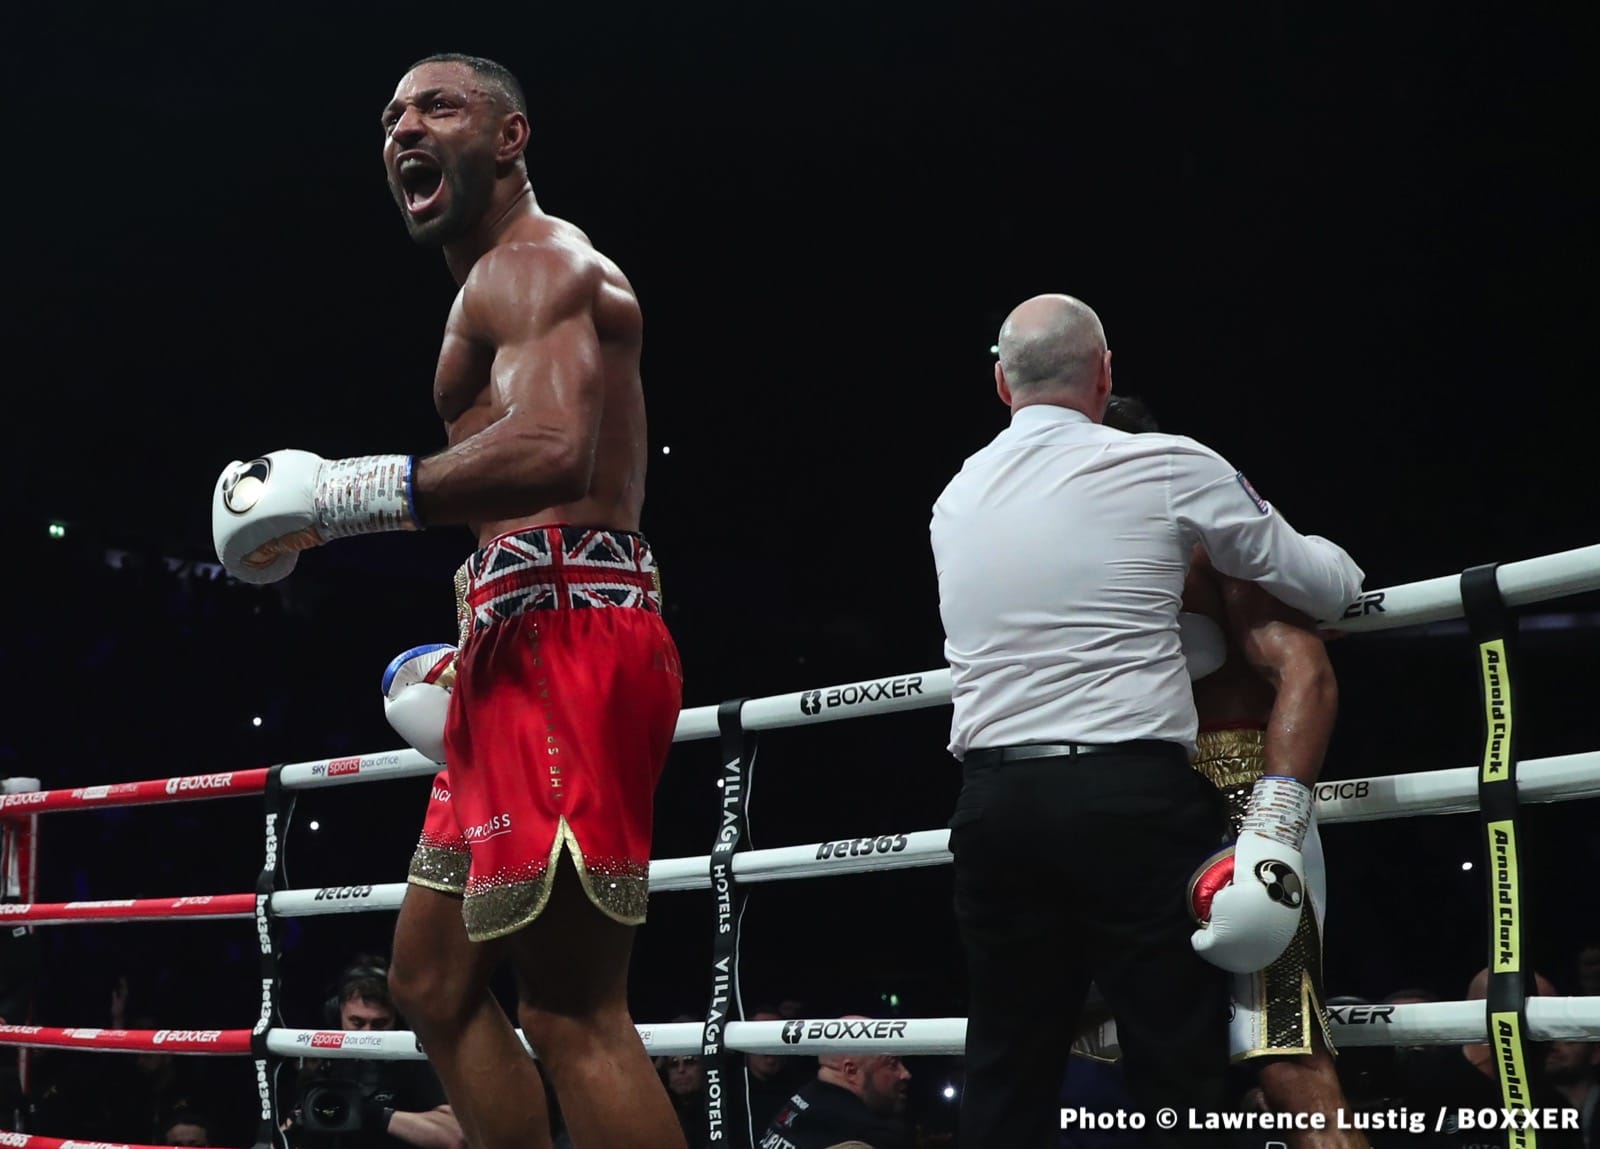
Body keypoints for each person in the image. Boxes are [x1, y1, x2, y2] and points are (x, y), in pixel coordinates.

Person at [211, 53, 685, 1149]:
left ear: (509, 138)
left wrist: (344, 494)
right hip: (512, 640)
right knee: (430, 981)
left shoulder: (535, 264)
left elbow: (557, 451)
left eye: (438, 106)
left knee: (573, 1013)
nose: (403, 129)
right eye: (389, 117)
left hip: (567, 639)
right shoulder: (492, 282)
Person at [928, 294, 1365, 1148]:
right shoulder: (1165, 465)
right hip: (1128, 799)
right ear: (1105, 371)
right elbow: (1323, 586)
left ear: (999, 383)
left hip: (994, 807)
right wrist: (1343, 570)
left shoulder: (955, 495)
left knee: (1007, 1066)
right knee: (1176, 1065)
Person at [1103, 394, 1366, 1149]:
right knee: (1124, 1051)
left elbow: (1304, 673)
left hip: (1245, 795)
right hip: (1141, 806)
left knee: (1282, 1049)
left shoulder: (1210, 545)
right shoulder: (1077, 574)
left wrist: (1271, 824)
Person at [757, 1018, 911, 1149]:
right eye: (892, 1063)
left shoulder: (805, 1096)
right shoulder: (870, 1133)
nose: (905, 1074)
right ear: (851, 1071)